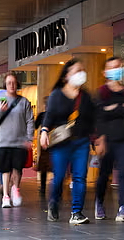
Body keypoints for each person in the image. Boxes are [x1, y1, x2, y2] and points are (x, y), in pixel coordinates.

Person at [40, 59, 95, 224]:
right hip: (62, 143)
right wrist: (44, 131)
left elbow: (92, 119)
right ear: (66, 76)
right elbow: (49, 116)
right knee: (58, 178)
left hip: (81, 142)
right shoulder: (57, 94)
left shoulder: (85, 97)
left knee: (80, 177)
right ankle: (54, 203)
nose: (81, 74)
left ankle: (76, 212)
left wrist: (97, 137)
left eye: (82, 70)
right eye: (77, 71)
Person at [94, 57, 124, 222]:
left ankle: (123, 208)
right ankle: (99, 202)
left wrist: (112, 109)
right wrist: (121, 108)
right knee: (104, 174)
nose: (116, 70)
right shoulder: (101, 92)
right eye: (112, 68)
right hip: (106, 139)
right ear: (105, 72)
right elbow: (99, 115)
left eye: (118, 67)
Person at [0, 72, 34, 208]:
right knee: (5, 169)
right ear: (5, 85)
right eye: (9, 83)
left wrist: (29, 138)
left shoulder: (24, 101)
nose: (12, 85)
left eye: (14, 82)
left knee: (17, 169)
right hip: (3, 141)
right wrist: (0, 111)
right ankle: (6, 196)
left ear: (17, 84)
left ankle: (16, 189)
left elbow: (30, 120)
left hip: (19, 142)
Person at [35, 96, 52, 195]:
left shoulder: (42, 115)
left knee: (44, 167)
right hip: (51, 142)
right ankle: (45, 188)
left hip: (46, 143)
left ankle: (42, 188)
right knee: (50, 165)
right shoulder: (54, 115)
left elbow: (35, 126)